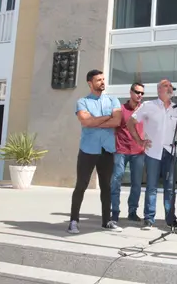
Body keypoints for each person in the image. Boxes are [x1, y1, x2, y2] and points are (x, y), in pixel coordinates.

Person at [127, 79, 177, 230]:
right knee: (152, 186)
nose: (170, 88)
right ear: (159, 90)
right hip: (153, 152)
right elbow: (130, 122)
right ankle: (149, 218)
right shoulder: (148, 106)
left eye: (171, 86)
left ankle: (170, 219)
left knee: (170, 188)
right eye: (166, 86)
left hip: (170, 153)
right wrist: (139, 141)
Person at [68, 69, 123, 234]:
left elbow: (117, 120)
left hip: (107, 149)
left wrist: (94, 121)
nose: (102, 82)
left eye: (103, 79)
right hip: (88, 150)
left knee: (106, 187)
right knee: (81, 185)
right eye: (98, 80)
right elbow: (85, 122)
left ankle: (107, 221)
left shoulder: (113, 100)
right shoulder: (82, 102)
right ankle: (73, 222)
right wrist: (106, 117)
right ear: (90, 83)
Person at [110, 82, 146, 223]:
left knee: (136, 183)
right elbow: (113, 127)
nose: (139, 95)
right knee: (116, 180)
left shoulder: (144, 110)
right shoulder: (121, 109)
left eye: (142, 93)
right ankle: (115, 211)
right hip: (121, 150)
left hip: (138, 152)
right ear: (131, 92)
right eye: (137, 92)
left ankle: (132, 211)